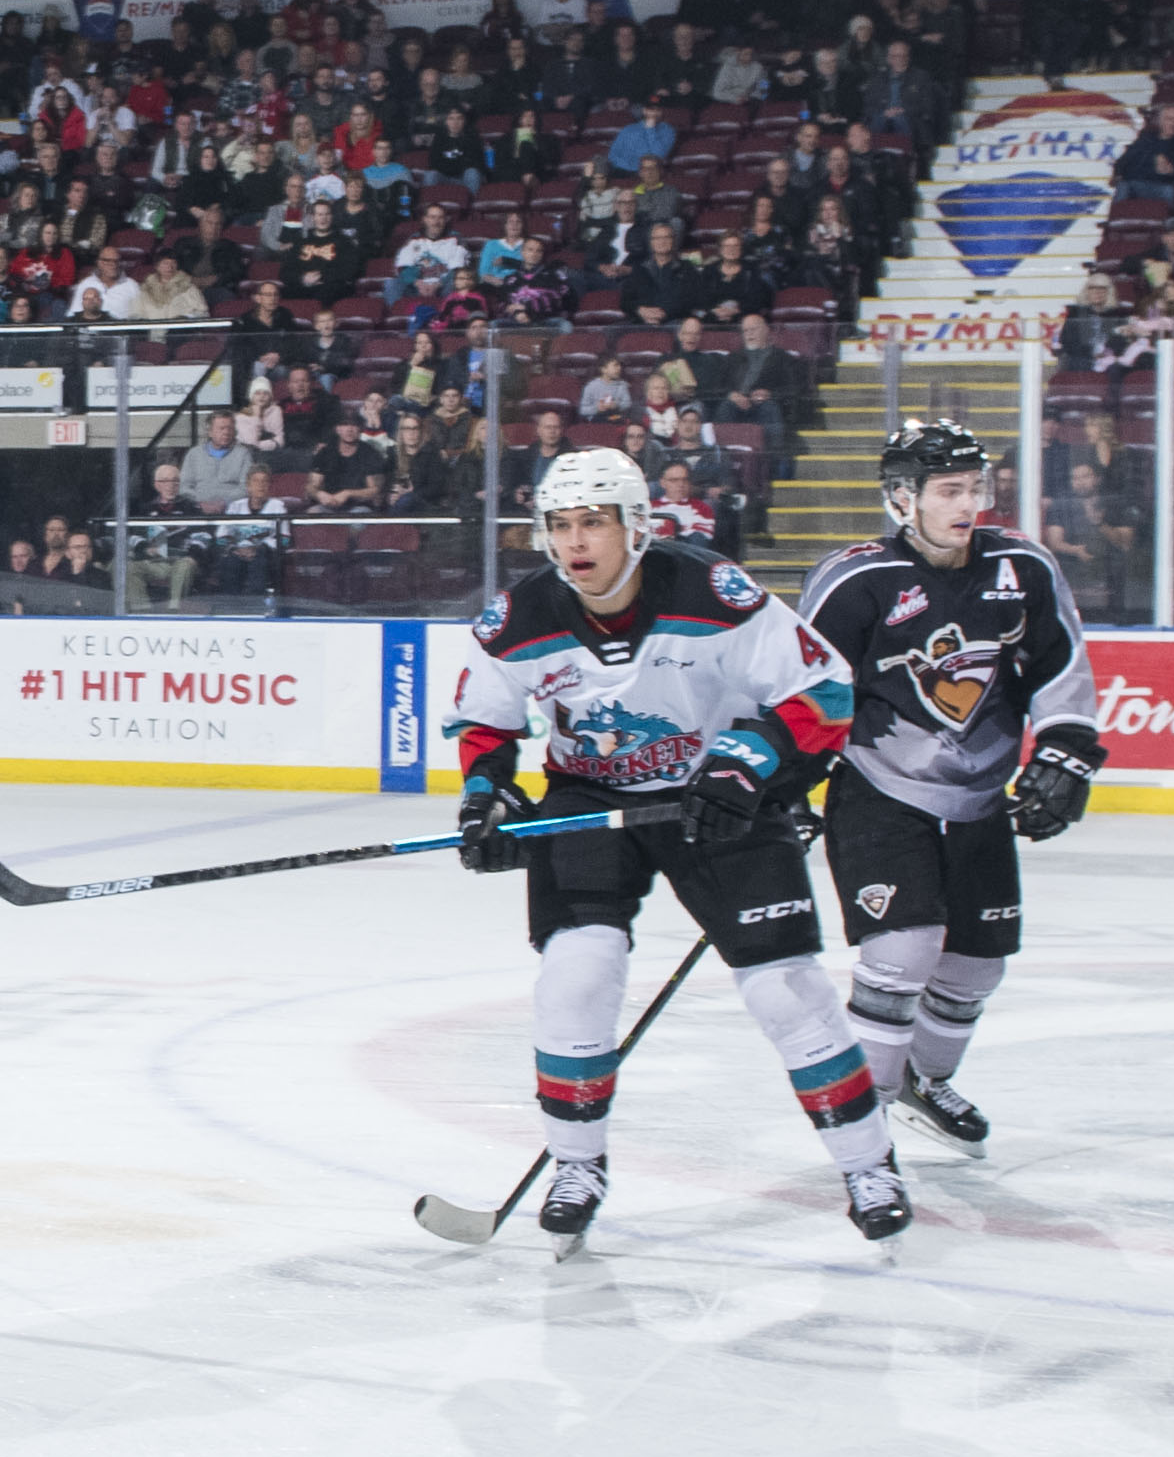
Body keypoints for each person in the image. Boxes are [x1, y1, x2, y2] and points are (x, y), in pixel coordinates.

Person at [450, 446, 913, 1245]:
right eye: (560, 525)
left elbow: (824, 689)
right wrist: (486, 799)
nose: (575, 542)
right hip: (590, 799)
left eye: (593, 521)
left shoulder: (710, 591)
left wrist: (748, 764)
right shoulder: (518, 618)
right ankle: (576, 1166)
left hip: (716, 796)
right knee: (576, 977)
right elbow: (486, 724)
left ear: (637, 525)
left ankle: (869, 1164)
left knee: (785, 990)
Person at [793, 423, 1107, 1156]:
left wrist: (1066, 750)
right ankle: (866, 1122)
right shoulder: (855, 580)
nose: (969, 504)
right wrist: (784, 785)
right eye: (949, 490)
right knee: (902, 951)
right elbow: (805, 690)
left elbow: (1059, 663)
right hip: (878, 787)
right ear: (903, 499)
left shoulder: (1021, 567)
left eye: (976, 488)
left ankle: (924, 1085)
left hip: (978, 795)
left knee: (976, 964)